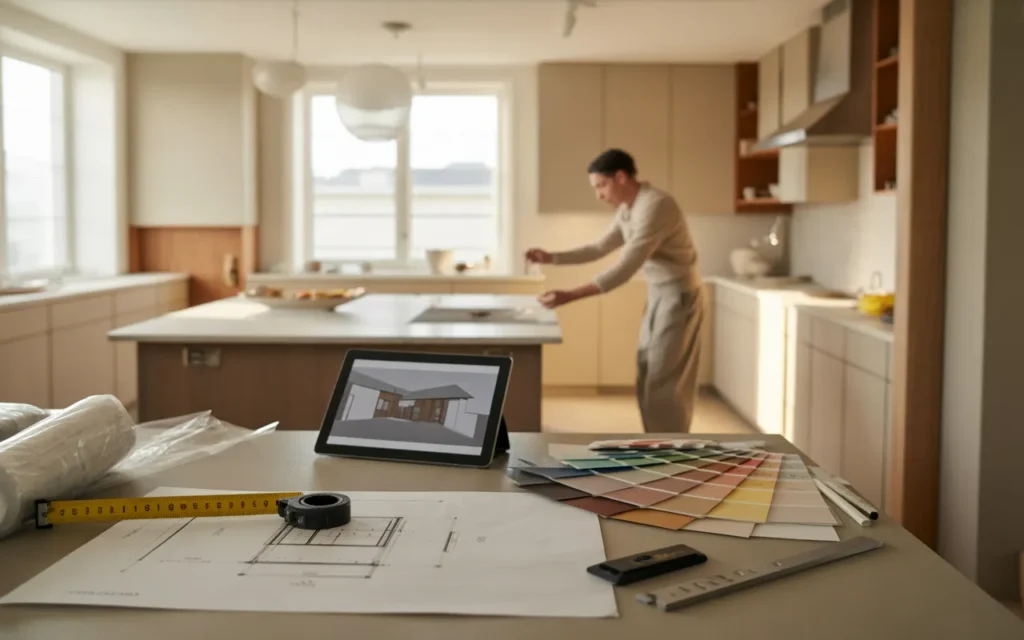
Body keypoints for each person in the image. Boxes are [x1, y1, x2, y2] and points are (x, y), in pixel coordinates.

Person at [526, 148, 704, 433]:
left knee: (665, 379)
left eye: (601, 186)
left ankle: (670, 447)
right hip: (660, 294)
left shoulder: (655, 206)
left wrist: (569, 295)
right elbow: (598, 248)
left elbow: (625, 267)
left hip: (679, 296)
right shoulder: (629, 209)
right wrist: (551, 257)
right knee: (648, 370)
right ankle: (655, 441)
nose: (599, 195)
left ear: (620, 177)